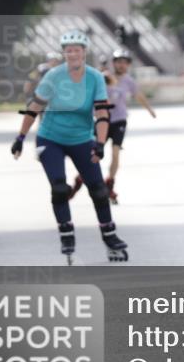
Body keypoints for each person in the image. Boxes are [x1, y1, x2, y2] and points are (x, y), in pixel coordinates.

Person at [10, 30, 128, 263]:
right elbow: (35, 106)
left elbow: (102, 112)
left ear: (84, 52)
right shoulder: (53, 76)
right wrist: (20, 138)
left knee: (98, 190)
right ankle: (66, 233)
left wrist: (100, 143)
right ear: (64, 53)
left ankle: (109, 235)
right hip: (50, 138)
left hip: (82, 139)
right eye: (68, 50)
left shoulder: (95, 77)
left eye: (77, 50)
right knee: (59, 188)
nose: (72, 54)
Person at [70, 48, 156, 204]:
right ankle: (79, 180)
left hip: (119, 121)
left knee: (116, 153)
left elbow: (138, 95)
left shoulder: (129, 81)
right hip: (102, 121)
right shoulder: (103, 77)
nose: (121, 65)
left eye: (125, 62)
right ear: (114, 63)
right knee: (93, 155)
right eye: (118, 62)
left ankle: (109, 184)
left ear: (128, 65)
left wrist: (149, 110)